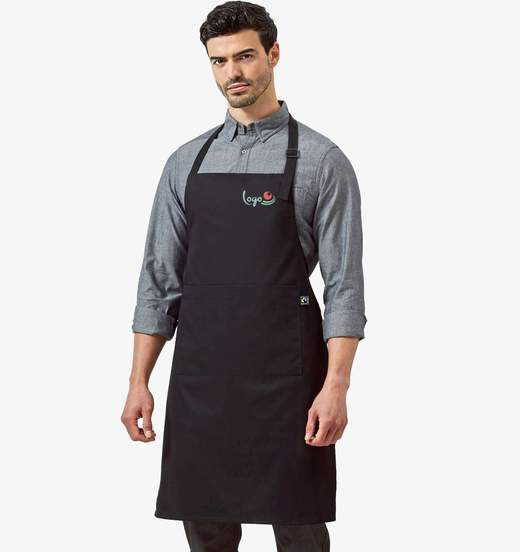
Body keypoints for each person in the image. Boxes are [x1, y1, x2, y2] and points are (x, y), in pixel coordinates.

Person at [121, 2, 367, 550]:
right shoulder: (185, 162)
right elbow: (158, 282)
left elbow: (344, 288)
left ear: (273, 55)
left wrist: (336, 387)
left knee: (299, 528)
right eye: (219, 61)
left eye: (245, 56)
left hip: (289, 382)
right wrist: (139, 381)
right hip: (201, 381)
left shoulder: (322, 161)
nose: (232, 72)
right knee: (205, 529)